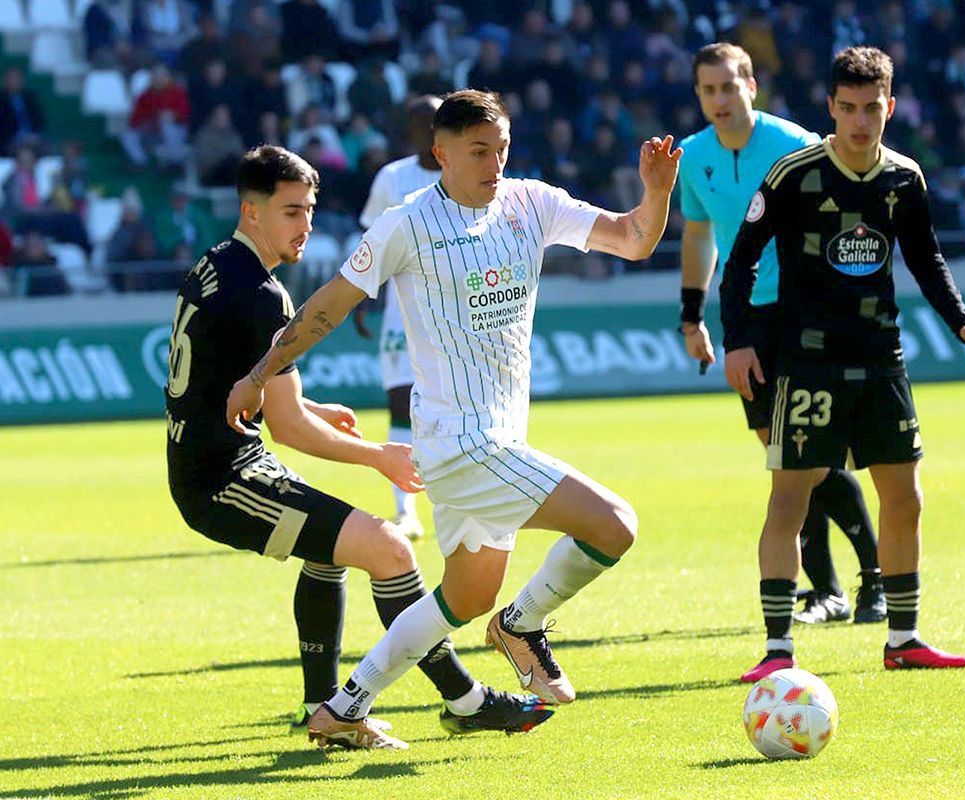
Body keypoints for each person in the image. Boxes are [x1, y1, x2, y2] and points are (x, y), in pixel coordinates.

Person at [225, 91, 680, 738]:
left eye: (501, 148)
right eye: (477, 151)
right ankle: (522, 628)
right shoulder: (407, 223)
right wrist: (258, 374)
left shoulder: (532, 202)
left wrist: (655, 190)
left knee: (464, 597)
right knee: (614, 525)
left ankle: (344, 706)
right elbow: (327, 305)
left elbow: (633, 239)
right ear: (441, 154)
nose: (494, 163)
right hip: (458, 445)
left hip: (498, 440)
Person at [167, 145, 553, 750]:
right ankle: (465, 699)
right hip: (221, 481)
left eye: (310, 210)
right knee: (390, 547)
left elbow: (219, 374)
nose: (306, 225)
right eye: (291, 211)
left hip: (216, 462)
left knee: (332, 550)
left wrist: (307, 403)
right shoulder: (265, 295)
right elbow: (289, 430)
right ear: (251, 211)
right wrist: (380, 455)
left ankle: (321, 706)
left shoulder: (215, 265)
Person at [720, 47, 965, 677]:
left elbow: (927, 260)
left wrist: (962, 321)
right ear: (831, 109)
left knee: (906, 499)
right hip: (808, 363)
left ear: (889, 107)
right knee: (789, 500)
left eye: (871, 108)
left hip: (881, 362)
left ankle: (903, 639)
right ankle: (777, 651)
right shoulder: (794, 175)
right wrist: (738, 339)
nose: (859, 121)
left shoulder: (904, 179)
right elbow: (741, 262)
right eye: (847, 108)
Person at [677, 43, 885, 628]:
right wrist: (692, 316)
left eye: (729, 86)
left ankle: (875, 580)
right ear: (698, 95)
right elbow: (699, 237)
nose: (720, 99)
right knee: (787, 456)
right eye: (708, 90)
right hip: (745, 322)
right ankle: (830, 591)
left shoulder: (795, 146)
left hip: (803, 316)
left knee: (811, 457)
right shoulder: (694, 156)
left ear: (751, 85)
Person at [353, 95, 444, 539]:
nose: (427, 131)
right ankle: (405, 509)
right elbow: (370, 239)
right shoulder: (393, 177)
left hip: (452, 308)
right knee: (400, 402)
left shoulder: (461, 174)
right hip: (400, 309)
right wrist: (361, 296)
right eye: (420, 123)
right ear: (407, 131)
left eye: (435, 122)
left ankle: (458, 501)